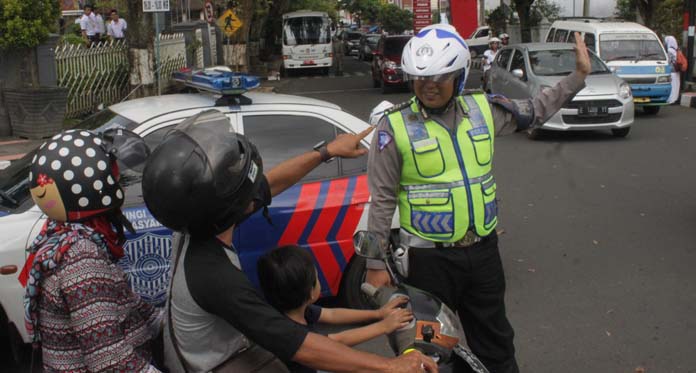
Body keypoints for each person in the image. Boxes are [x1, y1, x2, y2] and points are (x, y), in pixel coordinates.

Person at [366, 24, 591, 373]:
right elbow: (381, 200)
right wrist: (376, 265)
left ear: (459, 76)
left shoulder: (483, 110)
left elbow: (536, 108)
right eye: (421, 77)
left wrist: (577, 77)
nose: (429, 85)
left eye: (441, 76)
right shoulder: (393, 127)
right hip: (427, 262)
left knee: (497, 346)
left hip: (482, 254)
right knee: (431, 351)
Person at [141, 110, 437, 373]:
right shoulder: (214, 276)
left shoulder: (197, 223)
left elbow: (270, 184)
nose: (254, 192)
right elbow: (299, 345)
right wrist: (390, 365)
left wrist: (326, 152)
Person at [20, 129, 162, 372]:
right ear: (91, 190)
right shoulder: (82, 259)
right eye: (115, 180)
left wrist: (179, 322)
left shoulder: (62, 234)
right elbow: (111, 362)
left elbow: (132, 304)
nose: (121, 188)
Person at [257, 245, 413, 373]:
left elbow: (332, 314)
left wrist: (378, 313)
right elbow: (336, 341)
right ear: (311, 291)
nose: (319, 281)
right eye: (316, 278)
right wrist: (383, 326)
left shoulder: (290, 311)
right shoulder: (296, 333)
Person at [665, 35, 681, 104]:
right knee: (676, 85)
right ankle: (675, 98)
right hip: (677, 70)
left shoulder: (669, 50)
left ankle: (671, 100)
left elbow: (668, 61)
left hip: (672, 71)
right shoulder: (676, 50)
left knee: (672, 85)